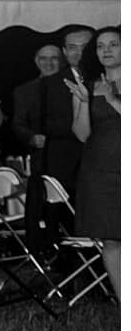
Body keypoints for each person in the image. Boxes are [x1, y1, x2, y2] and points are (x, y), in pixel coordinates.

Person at [13, 42, 81, 249]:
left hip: (72, 157)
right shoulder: (24, 91)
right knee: (43, 209)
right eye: (44, 58)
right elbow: (18, 124)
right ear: (36, 61)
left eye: (54, 58)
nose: (49, 63)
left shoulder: (74, 85)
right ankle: (45, 251)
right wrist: (31, 138)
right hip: (42, 159)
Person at [71, 26, 121, 298]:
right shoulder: (87, 86)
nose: (107, 50)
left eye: (114, 44)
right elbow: (82, 134)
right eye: (101, 46)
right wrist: (82, 102)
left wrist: (113, 100)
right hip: (99, 171)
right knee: (112, 239)